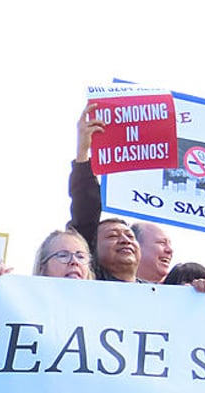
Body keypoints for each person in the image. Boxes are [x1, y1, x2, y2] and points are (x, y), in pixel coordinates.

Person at [68, 103, 144, 282]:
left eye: (130, 236)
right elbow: (86, 212)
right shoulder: (91, 284)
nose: (125, 241)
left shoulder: (159, 294)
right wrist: (83, 153)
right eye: (112, 236)